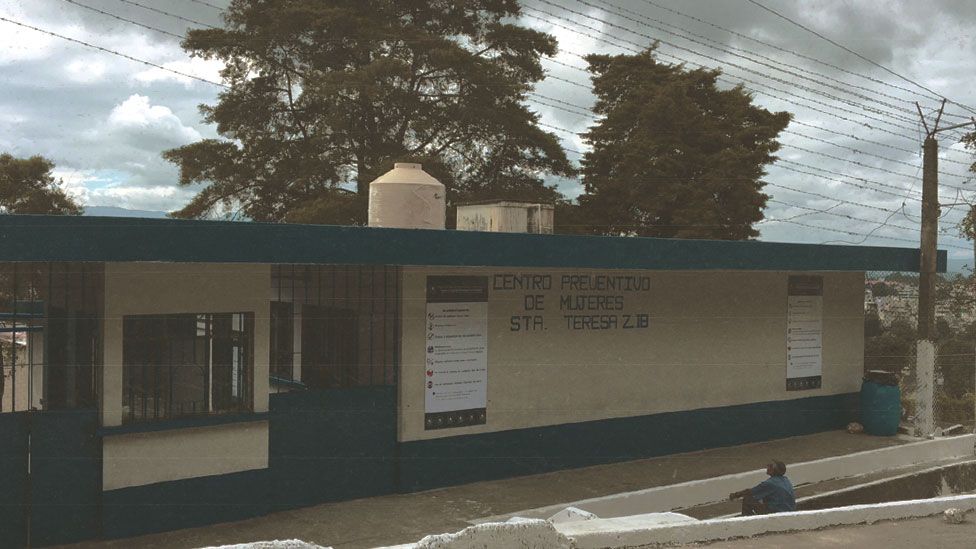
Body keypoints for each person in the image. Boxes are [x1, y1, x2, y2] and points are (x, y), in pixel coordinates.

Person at [729, 460, 796, 516]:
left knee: (747, 499)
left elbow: (751, 492)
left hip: (777, 512)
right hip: (789, 510)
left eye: (770, 466)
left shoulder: (770, 483)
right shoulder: (786, 479)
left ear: (773, 470)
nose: (767, 467)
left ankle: (748, 520)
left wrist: (736, 495)